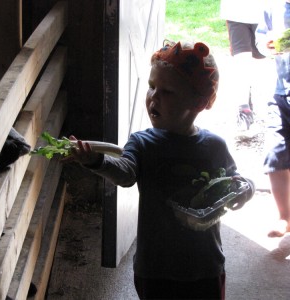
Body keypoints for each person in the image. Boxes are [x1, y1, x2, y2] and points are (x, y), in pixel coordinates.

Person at [64, 41, 255, 299]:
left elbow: (236, 181)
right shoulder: (142, 143)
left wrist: (246, 190)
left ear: (198, 102)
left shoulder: (214, 146)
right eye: (152, 86)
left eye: (167, 91)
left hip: (205, 265)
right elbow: (125, 173)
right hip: (156, 268)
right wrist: (96, 162)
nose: (153, 96)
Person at [255, 0, 290, 237]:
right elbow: (260, 39)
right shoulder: (273, 6)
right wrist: (266, 47)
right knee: (274, 152)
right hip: (280, 91)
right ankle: (285, 216)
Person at [220, 0, 265, 130]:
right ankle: (243, 109)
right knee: (242, 58)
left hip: (265, 11)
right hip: (236, 11)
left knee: (265, 53)